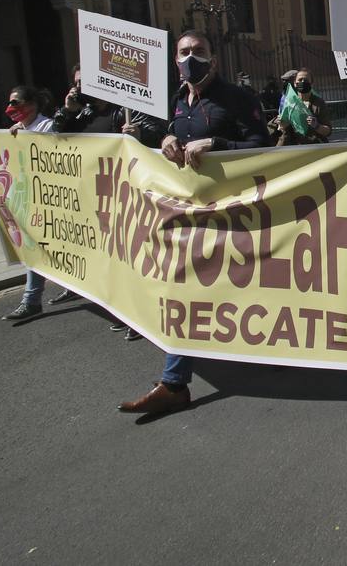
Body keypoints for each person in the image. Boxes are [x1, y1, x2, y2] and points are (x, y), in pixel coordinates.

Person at [117, 30, 271, 417]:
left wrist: (217, 145)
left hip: (234, 214)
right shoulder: (173, 102)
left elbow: (263, 146)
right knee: (184, 286)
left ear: (214, 59)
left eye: (199, 52)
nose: (191, 58)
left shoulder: (237, 98)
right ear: (175, 61)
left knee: (230, 285)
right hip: (188, 216)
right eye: (184, 52)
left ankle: (182, 376)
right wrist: (158, 138)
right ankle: (174, 383)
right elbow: (167, 144)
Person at [49, 65, 167, 332]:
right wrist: (67, 110)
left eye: (85, 82)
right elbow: (54, 139)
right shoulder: (84, 113)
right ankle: (123, 307)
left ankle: (142, 314)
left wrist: (138, 134)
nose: (80, 88)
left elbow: (155, 133)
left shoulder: (124, 109)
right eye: (76, 83)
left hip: (126, 195)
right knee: (110, 259)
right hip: (94, 197)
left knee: (132, 256)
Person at [0, 86, 56, 321]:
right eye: (10, 102)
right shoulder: (15, 131)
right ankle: (31, 301)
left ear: (33, 104)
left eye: (17, 102)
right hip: (30, 203)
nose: (12, 108)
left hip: (52, 201)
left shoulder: (47, 127)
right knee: (34, 247)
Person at [270, 67, 332, 145]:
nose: (302, 82)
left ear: (311, 83)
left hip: (314, 146)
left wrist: (316, 126)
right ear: (295, 84)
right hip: (292, 146)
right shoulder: (289, 102)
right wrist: (280, 122)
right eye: (300, 80)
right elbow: (282, 128)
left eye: (306, 80)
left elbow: (328, 131)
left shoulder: (318, 103)